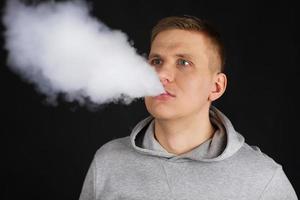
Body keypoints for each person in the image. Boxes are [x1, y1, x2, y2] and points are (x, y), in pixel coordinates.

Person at [79, 15, 298, 200]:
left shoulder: (263, 179)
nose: (161, 75)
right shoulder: (109, 161)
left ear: (216, 86)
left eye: (183, 62)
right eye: (156, 61)